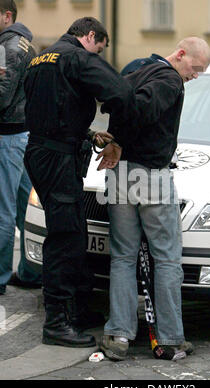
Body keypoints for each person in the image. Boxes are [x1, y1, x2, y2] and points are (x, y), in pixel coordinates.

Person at [23, 17, 137, 348]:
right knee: (66, 237)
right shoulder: (77, 57)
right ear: (90, 36)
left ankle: (78, 308)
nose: (98, 53)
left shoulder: (40, 58)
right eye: (100, 47)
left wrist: (87, 133)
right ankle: (57, 323)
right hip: (58, 159)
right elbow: (121, 93)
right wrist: (120, 137)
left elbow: (47, 110)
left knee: (74, 230)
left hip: (42, 151)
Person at [97, 37, 210, 360]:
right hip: (151, 175)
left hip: (120, 173)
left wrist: (117, 140)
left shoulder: (136, 69)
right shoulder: (168, 79)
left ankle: (118, 335)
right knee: (166, 259)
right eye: (195, 68)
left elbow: (119, 102)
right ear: (180, 54)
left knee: (122, 256)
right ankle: (171, 337)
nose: (195, 76)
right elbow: (143, 108)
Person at [0, 0, 41, 296]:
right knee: (25, 209)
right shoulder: (23, 44)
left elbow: (3, 97)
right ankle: (30, 271)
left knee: (4, 210)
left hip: (8, 138)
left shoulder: (10, 49)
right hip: (22, 134)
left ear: (7, 16)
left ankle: (0, 277)